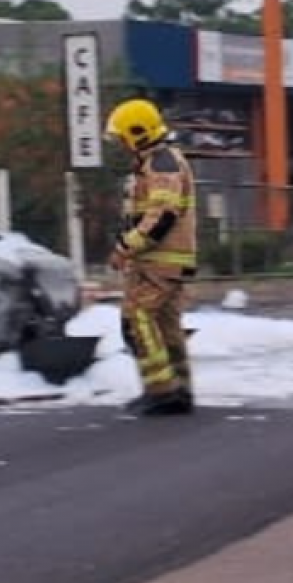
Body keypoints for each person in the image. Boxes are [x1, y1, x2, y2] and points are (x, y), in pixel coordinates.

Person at [106, 97, 198, 416]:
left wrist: (125, 247)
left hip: (157, 262)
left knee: (139, 319)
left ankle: (160, 391)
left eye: (122, 138)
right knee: (166, 325)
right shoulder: (161, 161)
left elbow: (163, 215)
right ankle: (179, 390)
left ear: (138, 133)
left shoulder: (160, 163)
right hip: (170, 262)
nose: (120, 144)